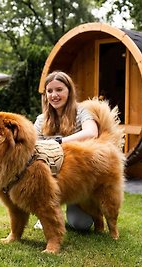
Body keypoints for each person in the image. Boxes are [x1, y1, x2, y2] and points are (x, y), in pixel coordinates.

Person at [33, 70, 99, 231]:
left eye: (59, 89)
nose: (54, 95)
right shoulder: (41, 119)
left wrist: (59, 142)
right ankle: (46, 212)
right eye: (49, 91)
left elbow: (92, 132)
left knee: (81, 225)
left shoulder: (81, 111)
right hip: (50, 178)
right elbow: (32, 146)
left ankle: (89, 209)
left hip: (76, 177)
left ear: (69, 91)